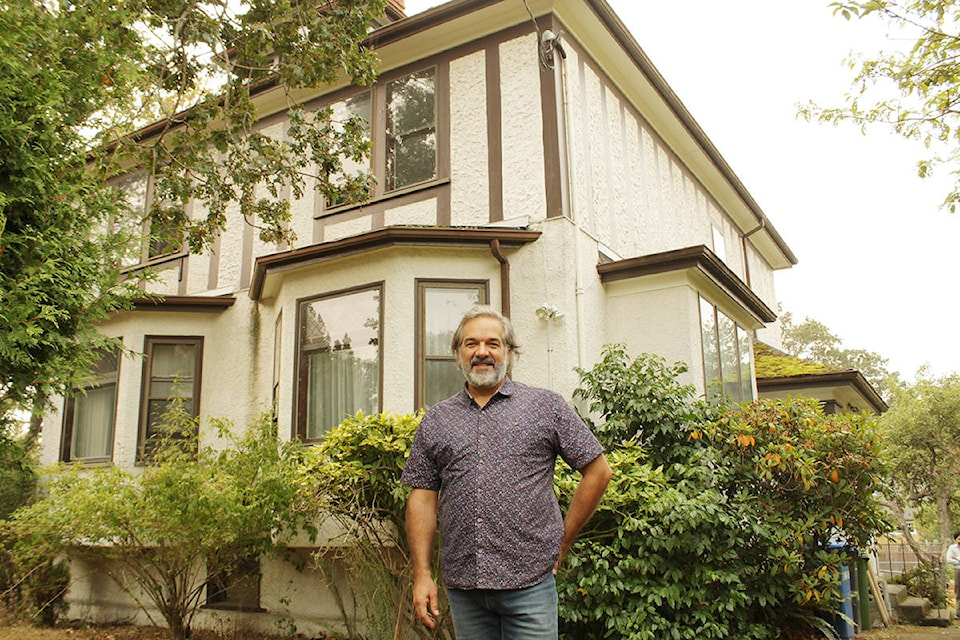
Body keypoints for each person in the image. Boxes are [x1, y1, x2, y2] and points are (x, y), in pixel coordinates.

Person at [401, 305, 612, 640]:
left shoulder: (546, 407)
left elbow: (598, 471)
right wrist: (422, 573)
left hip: (530, 585)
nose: (481, 352)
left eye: (493, 344)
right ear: (458, 354)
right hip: (465, 588)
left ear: (509, 353)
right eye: (471, 344)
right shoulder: (438, 420)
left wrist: (564, 539)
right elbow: (422, 498)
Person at [948, 532, 960, 614]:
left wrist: (957, 558)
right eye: (959, 538)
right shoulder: (952, 548)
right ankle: (958, 612)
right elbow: (949, 559)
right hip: (958, 570)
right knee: (958, 590)